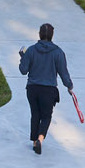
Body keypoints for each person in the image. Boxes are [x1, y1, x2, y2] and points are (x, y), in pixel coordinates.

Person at [16, 23, 73, 156]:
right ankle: (40, 138)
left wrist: (23, 57)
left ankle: (35, 142)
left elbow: (23, 70)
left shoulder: (31, 50)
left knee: (35, 114)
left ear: (39, 35)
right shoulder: (58, 52)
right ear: (52, 35)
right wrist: (69, 86)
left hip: (32, 89)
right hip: (49, 90)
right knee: (46, 116)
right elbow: (63, 73)